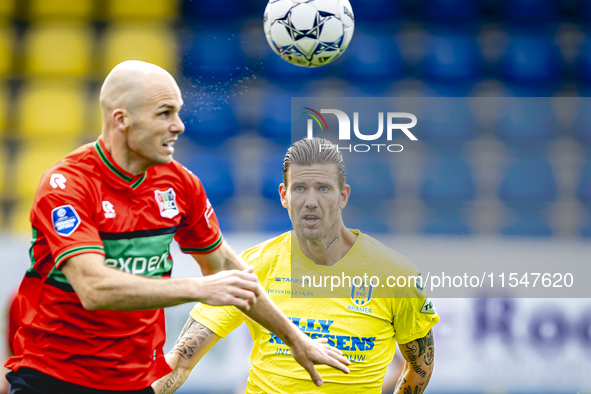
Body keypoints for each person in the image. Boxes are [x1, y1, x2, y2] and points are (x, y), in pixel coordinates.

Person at [4, 62, 349, 393]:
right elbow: (94, 289)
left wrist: (295, 339)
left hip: (136, 382)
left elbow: (229, 270)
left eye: (178, 112)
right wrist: (200, 288)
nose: (179, 125)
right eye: (165, 113)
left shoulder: (180, 185)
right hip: (52, 378)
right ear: (121, 119)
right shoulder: (68, 185)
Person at [153, 138, 440, 394]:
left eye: (324, 188)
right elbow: (179, 362)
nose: (311, 202)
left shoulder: (395, 275)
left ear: (343, 196)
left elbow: (419, 370)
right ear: (283, 195)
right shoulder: (252, 267)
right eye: (300, 188)